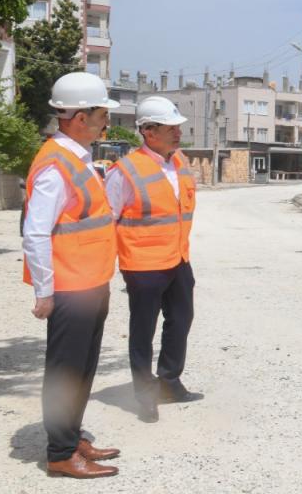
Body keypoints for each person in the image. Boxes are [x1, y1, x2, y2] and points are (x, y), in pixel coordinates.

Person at [21, 72, 122, 479]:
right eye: (101, 114)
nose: (105, 122)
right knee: (66, 371)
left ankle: (73, 436)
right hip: (69, 287)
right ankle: (61, 453)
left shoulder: (77, 157)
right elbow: (36, 232)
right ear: (80, 117)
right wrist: (45, 290)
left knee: (82, 368)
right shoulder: (54, 164)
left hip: (91, 283)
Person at [104, 96, 201, 424]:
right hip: (143, 265)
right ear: (148, 131)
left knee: (182, 317)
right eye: (170, 127)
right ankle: (144, 394)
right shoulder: (125, 171)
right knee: (143, 329)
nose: (178, 133)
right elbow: (108, 219)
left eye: (177, 127)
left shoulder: (179, 162)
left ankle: (169, 382)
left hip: (178, 259)